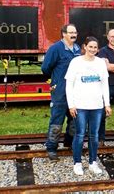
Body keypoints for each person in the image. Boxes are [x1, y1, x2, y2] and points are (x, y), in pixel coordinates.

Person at [65, 36, 112, 176]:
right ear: (84, 47)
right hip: (80, 105)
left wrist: (107, 104)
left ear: (98, 49)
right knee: (79, 135)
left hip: (97, 106)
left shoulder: (100, 63)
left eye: (95, 47)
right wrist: (71, 105)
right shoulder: (75, 62)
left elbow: (105, 84)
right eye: (90, 46)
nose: (92, 49)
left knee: (94, 136)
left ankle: (93, 162)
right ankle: (77, 163)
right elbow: (69, 85)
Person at [41, 24, 81, 161]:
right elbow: (45, 68)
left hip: (76, 91)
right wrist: (55, 82)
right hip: (60, 91)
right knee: (57, 120)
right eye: (71, 32)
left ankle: (69, 143)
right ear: (63, 34)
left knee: (74, 120)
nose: (74, 35)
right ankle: (51, 148)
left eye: (75, 32)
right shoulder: (55, 49)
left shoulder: (78, 49)